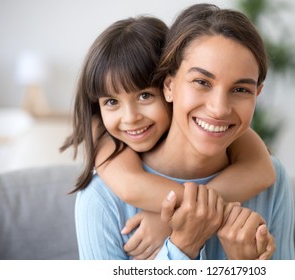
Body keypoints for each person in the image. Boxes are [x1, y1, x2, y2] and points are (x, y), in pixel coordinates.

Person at [62, 15, 277, 259]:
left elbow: (264, 170)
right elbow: (130, 187)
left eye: (144, 96)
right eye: (201, 82)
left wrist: (246, 268)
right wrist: (182, 240)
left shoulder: (262, 167)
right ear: (169, 86)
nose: (130, 118)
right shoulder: (102, 191)